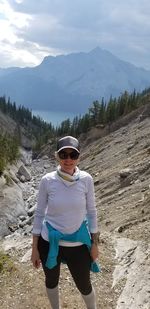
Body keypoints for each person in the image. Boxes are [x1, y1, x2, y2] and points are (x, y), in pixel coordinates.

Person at [31, 136, 100, 309]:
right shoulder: (47, 180)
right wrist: (34, 248)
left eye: (73, 154)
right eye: (63, 154)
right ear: (57, 156)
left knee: (84, 284)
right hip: (49, 242)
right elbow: (39, 214)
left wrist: (95, 243)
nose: (68, 159)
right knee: (51, 281)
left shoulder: (86, 179)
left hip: (78, 243)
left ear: (79, 157)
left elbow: (92, 212)